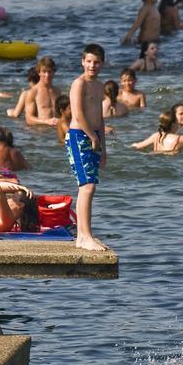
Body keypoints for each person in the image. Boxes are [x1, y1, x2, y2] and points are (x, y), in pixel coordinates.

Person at [64, 44, 107, 252]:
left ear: (102, 63)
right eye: (89, 61)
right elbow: (78, 114)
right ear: (82, 62)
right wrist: (91, 136)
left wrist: (103, 147)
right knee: (87, 186)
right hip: (78, 136)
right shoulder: (78, 84)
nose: (92, 65)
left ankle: (83, 235)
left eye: (96, 62)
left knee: (89, 186)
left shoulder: (100, 86)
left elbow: (100, 118)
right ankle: (85, 236)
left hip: (94, 138)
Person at [25, 56, 60, 126]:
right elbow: (28, 119)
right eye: (44, 72)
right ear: (39, 73)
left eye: (49, 71)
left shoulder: (58, 91)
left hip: (55, 131)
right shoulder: (33, 92)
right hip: (41, 133)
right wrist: (46, 121)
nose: (47, 75)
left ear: (54, 72)